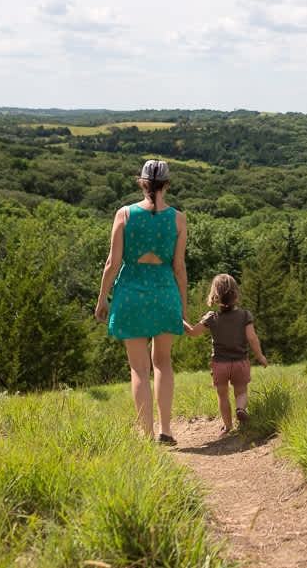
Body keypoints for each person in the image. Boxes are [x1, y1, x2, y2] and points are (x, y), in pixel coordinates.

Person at [95, 158, 189, 444]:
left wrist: (102, 299)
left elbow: (113, 262)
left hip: (130, 295)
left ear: (141, 183)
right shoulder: (178, 218)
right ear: (167, 185)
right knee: (162, 362)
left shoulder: (124, 214)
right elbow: (179, 268)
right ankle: (166, 431)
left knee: (139, 368)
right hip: (165, 292)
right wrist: (183, 306)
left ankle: (146, 436)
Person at [183, 273, 269, 435]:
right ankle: (240, 409)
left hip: (219, 364)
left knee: (222, 395)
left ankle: (228, 426)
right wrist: (260, 356)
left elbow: (193, 332)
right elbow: (252, 337)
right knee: (241, 392)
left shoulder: (211, 317)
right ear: (236, 294)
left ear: (214, 296)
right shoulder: (245, 315)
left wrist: (180, 320)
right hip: (240, 362)